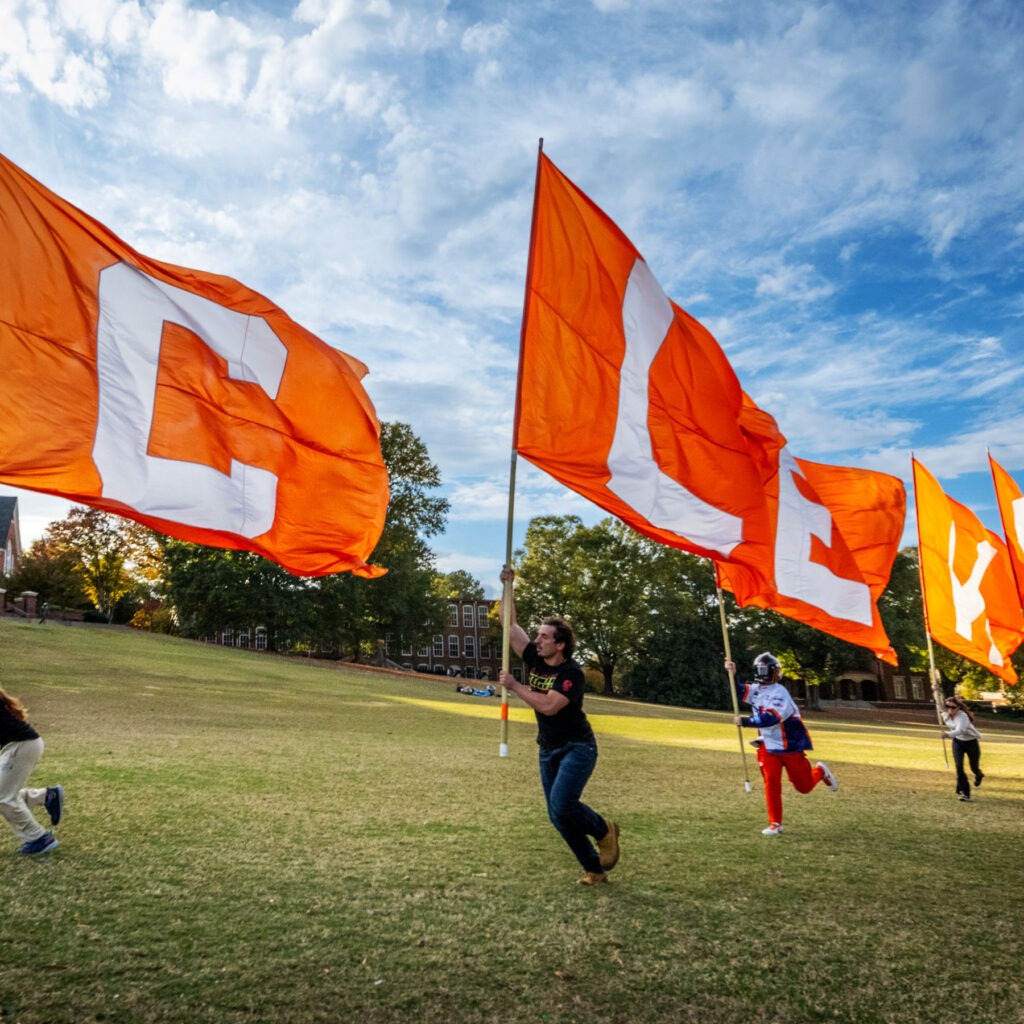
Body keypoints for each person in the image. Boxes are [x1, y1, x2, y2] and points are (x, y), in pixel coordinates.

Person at [498, 565, 619, 886]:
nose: (537, 641)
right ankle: (594, 868)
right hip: (547, 748)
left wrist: (514, 686)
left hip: (578, 747)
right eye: (537, 636)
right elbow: (509, 626)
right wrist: (508, 587)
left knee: (563, 804)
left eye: (544, 637)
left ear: (560, 644)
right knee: (557, 815)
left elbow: (549, 706)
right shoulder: (535, 657)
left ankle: (603, 829)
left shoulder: (572, 674)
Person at [726, 653, 837, 836]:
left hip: (789, 744)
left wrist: (746, 722)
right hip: (767, 745)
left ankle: (820, 771)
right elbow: (737, 691)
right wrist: (732, 673)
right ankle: (775, 823)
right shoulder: (755, 689)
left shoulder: (780, 693)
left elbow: (772, 718)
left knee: (804, 786)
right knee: (771, 782)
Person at [0, 684, 64, 855]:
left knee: (3, 797)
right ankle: (47, 796)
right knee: (6, 794)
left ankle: (39, 838)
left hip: (21, 747)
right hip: (22, 745)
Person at [940, 695, 983, 802]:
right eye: (947, 707)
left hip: (971, 742)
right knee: (959, 767)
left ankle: (979, 774)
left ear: (958, 707)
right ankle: (965, 792)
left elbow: (961, 730)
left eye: (953, 707)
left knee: (974, 767)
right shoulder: (945, 714)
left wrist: (947, 734)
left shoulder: (962, 716)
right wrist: (935, 688)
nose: (950, 710)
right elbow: (938, 699)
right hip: (957, 742)